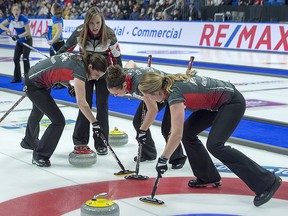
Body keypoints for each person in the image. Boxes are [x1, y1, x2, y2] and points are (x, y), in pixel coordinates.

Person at [138, 71, 282, 207]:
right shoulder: (168, 86)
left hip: (231, 102)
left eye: (148, 96)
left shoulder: (174, 93)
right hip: (214, 104)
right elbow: (180, 132)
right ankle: (208, 176)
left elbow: (176, 133)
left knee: (216, 145)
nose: (148, 99)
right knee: (188, 133)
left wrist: (164, 158)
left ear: (155, 92)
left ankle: (267, 181)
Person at [22, 52, 108, 167]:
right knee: (58, 121)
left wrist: (68, 86)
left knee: (38, 111)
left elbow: (58, 70)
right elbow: (82, 102)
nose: (96, 79)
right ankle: (40, 155)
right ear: (90, 67)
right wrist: (95, 123)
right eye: (96, 75)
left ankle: (28, 141)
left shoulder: (79, 60)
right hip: (34, 84)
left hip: (38, 80)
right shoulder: (81, 69)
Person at [57, 7, 122, 155]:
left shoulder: (110, 34)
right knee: (84, 103)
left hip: (103, 72)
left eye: (98, 23)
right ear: (87, 22)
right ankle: (80, 140)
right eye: (92, 23)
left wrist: (118, 78)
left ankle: (102, 141)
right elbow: (65, 49)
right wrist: (53, 62)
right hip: (84, 71)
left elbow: (117, 58)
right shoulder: (80, 32)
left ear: (102, 21)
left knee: (102, 105)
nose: (95, 27)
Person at [106, 61, 187, 169]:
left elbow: (153, 110)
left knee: (167, 128)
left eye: (116, 93)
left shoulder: (139, 86)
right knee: (138, 121)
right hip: (152, 91)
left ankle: (177, 157)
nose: (115, 96)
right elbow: (131, 62)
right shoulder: (123, 74)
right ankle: (149, 153)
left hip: (169, 91)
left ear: (124, 85)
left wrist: (142, 131)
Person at [0, 3, 32, 83]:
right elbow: (1, 25)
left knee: (25, 59)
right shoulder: (11, 18)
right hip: (19, 41)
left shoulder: (24, 19)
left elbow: (28, 32)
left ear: (20, 11)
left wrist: (18, 36)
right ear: (12, 11)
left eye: (17, 10)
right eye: (14, 10)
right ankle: (17, 77)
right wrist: (6, 29)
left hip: (27, 40)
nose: (15, 11)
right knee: (15, 59)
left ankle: (27, 80)